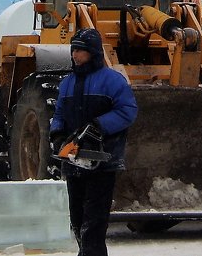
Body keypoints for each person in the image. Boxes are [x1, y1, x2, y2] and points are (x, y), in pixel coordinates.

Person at [50, 28, 137, 256]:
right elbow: (59, 114)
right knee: (78, 220)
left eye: (81, 50)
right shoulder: (67, 84)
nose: (76, 55)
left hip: (102, 163)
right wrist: (57, 135)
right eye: (74, 50)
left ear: (94, 52)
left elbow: (128, 111)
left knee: (94, 223)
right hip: (73, 162)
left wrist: (98, 126)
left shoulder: (112, 81)